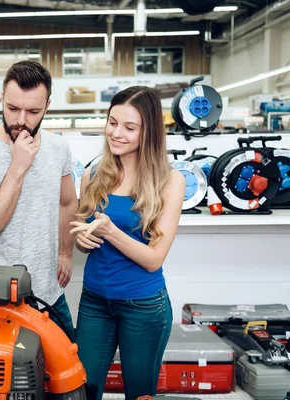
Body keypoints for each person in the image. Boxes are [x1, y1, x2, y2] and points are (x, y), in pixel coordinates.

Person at [69, 86, 185, 400]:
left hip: (144, 306)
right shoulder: (93, 173)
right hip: (95, 301)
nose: (116, 133)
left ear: (149, 133)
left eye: (129, 127)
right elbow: (86, 242)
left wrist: (109, 232)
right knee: (84, 389)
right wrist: (84, 237)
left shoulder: (171, 181)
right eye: (112, 123)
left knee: (139, 393)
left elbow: (153, 260)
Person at [0, 60, 78, 341]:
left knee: (68, 381)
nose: (21, 120)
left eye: (33, 111)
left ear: (47, 106)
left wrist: (65, 253)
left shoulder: (58, 147)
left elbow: (68, 202)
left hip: (50, 296)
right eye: (13, 108)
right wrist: (17, 167)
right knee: (8, 382)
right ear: (2, 98)